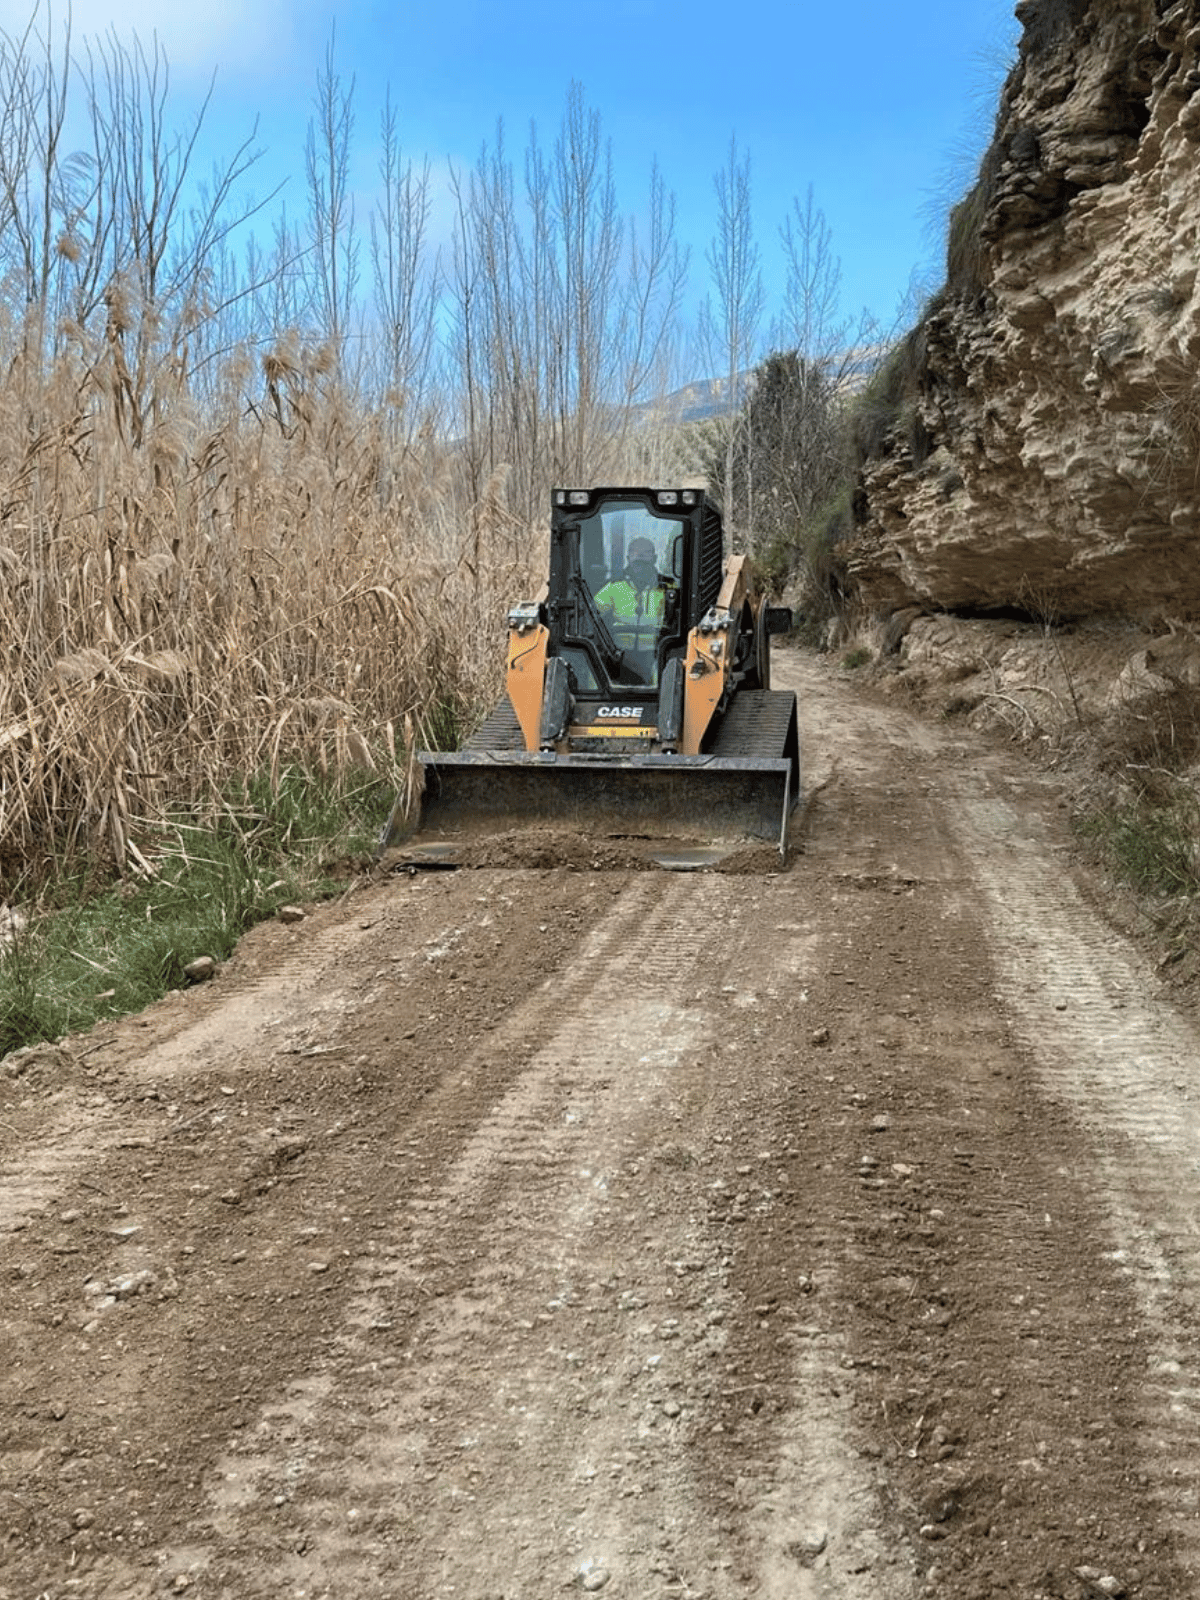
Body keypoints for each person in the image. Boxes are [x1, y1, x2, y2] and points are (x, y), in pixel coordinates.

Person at [593, 536, 673, 664]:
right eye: (635, 553)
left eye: (646, 553)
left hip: (657, 656)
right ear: (628, 558)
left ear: (655, 559)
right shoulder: (614, 587)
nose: (640, 557)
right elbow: (592, 614)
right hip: (619, 656)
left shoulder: (667, 589)